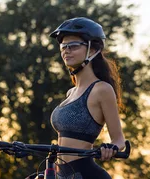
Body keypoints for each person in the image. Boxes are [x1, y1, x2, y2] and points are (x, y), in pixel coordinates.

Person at [48, 17, 126, 179]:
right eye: (64, 46)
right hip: (60, 174)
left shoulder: (102, 89)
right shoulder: (70, 93)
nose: (66, 50)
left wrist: (110, 148)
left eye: (74, 46)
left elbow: (119, 140)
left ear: (92, 50)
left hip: (87, 174)